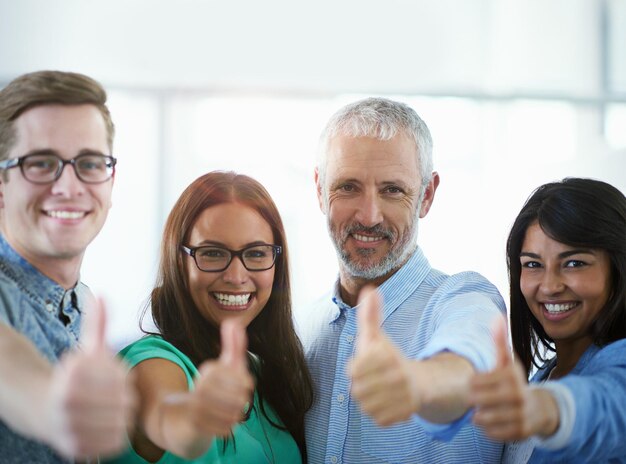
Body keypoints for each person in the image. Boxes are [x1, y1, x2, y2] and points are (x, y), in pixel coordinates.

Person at [298, 97, 507, 463]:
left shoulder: (462, 298)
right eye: (348, 186)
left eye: (392, 190)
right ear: (319, 189)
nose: (369, 215)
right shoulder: (303, 328)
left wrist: (419, 381)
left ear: (426, 195)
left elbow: (471, 358)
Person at [109, 171, 313, 463]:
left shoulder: (264, 373)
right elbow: (170, 419)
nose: (236, 276)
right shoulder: (152, 364)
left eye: (256, 253)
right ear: (180, 262)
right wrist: (197, 416)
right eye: (213, 253)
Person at [0, 70, 134, 462]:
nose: (69, 186)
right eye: (41, 163)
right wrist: (54, 409)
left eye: (90, 163)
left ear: (111, 182)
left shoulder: (85, 304)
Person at [470, 177, 626, 463]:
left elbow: (611, 404)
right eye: (533, 265)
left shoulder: (619, 364)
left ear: (618, 267)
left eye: (574, 263)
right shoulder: (541, 378)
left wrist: (551, 407)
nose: (550, 286)